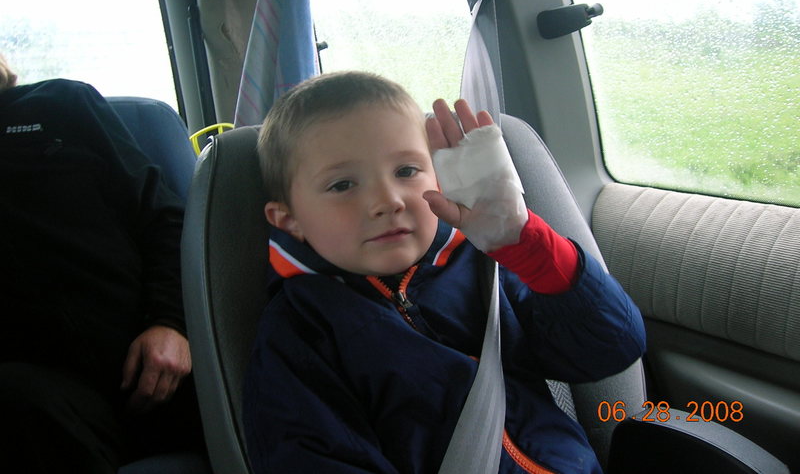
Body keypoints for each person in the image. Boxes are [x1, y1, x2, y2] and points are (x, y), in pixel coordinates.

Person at [243, 71, 645, 473]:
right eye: (343, 184)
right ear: (289, 220)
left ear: (439, 175)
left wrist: (525, 245)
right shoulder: (300, 331)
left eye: (406, 171)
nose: (388, 201)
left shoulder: (487, 266)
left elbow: (612, 349)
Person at [0, 55, 204, 472]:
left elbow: (165, 217)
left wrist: (171, 322)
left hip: (160, 348)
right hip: (49, 395)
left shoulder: (61, 103)